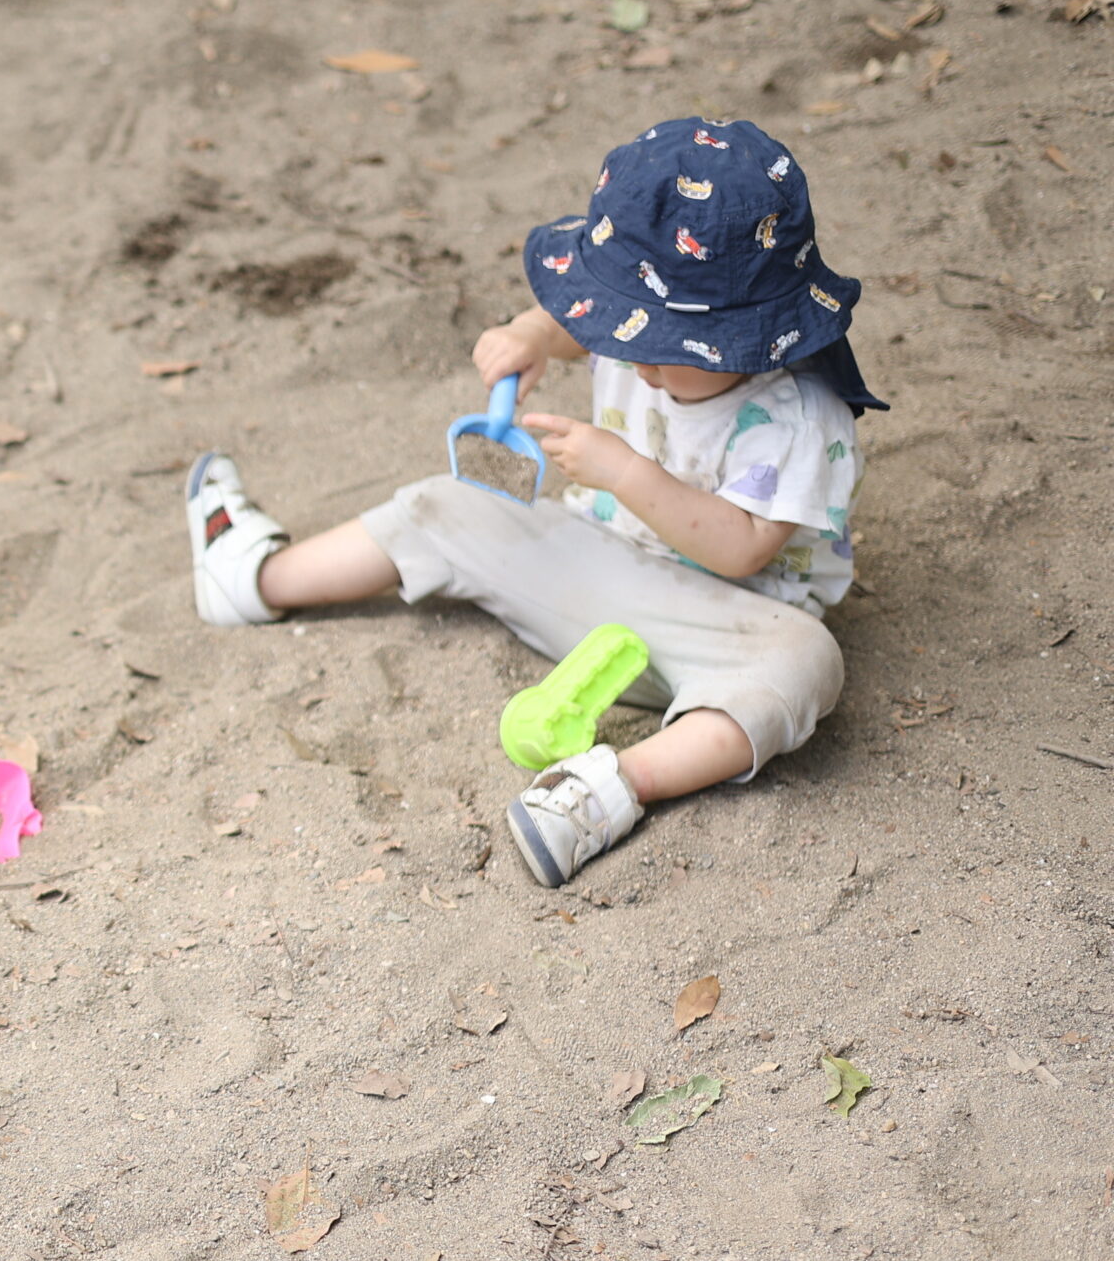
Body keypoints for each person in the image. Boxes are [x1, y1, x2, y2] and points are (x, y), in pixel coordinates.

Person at [184, 118, 881, 887]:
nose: (635, 359)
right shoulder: (635, 335)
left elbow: (744, 548)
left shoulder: (798, 417)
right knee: (451, 505)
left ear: (754, 339)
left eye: (664, 351)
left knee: (806, 665)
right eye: (625, 331)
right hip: (598, 564)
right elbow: (583, 324)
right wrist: (531, 336)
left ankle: (605, 789)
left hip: (725, 623)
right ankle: (254, 577)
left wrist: (621, 469)